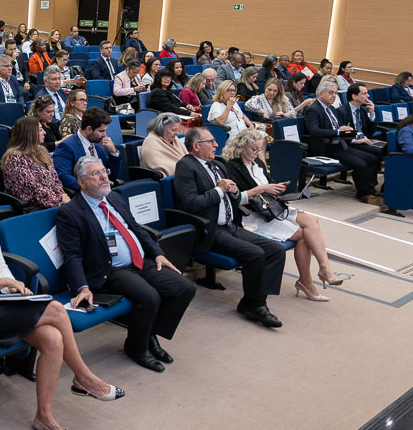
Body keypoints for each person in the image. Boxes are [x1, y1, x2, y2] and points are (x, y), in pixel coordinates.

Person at [0, 169, 124, 430]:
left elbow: (0, 265)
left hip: (1, 301)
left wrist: (14, 286)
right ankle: (83, 377)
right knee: (57, 311)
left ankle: (44, 417)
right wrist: (2, 283)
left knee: (53, 338)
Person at [56, 156, 194, 371]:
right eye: (96, 173)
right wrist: (81, 287)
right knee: (150, 298)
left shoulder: (115, 198)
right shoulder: (70, 212)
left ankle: (149, 335)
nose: (104, 177)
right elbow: (72, 254)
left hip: (141, 261)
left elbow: (137, 229)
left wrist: (157, 253)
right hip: (110, 270)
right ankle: (136, 348)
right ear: (81, 182)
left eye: (104, 171)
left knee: (184, 288)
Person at [173, 127, 286, 327]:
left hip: (231, 225)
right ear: (196, 146)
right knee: (255, 254)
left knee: (276, 251)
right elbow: (191, 203)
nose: (216, 145)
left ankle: (256, 300)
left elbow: (233, 198)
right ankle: (255, 305)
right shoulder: (186, 166)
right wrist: (219, 190)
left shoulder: (217, 165)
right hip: (210, 230)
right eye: (211, 142)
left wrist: (232, 191)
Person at [222, 129, 342, 301]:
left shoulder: (258, 165)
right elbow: (235, 199)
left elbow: (267, 187)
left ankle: (324, 269)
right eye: (253, 149)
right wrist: (262, 189)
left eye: (259, 150)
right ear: (241, 146)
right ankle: (308, 280)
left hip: (270, 208)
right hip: (253, 216)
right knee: (304, 235)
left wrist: (277, 189)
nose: (256, 153)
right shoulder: (231, 166)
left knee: (311, 220)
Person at [303, 82, 381, 202]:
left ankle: (370, 188)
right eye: (330, 93)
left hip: (340, 144)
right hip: (326, 147)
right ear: (320, 93)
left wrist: (345, 129)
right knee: (360, 163)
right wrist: (338, 132)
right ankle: (363, 193)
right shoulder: (313, 109)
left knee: (371, 158)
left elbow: (338, 127)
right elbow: (314, 131)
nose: (334, 96)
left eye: (335, 93)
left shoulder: (332, 109)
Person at [1, 117, 69, 210]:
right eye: (40, 130)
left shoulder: (42, 151)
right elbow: (32, 190)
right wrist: (59, 200)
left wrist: (62, 195)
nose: (44, 132)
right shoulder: (15, 157)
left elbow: (55, 180)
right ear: (29, 133)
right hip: (34, 207)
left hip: (54, 203)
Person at [53, 108, 122, 191]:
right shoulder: (66, 146)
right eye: (101, 131)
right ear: (89, 129)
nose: (105, 135)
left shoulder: (101, 144)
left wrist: (113, 152)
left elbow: (112, 174)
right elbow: (63, 176)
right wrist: (89, 187)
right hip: (84, 193)